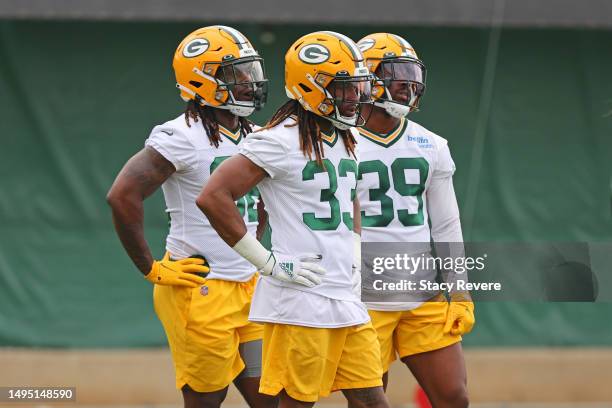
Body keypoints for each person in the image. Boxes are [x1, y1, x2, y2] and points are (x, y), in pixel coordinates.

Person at [196, 31, 390, 408]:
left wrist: (353, 245)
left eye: (358, 87)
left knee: (373, 402)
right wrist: (265, 262)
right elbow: (213, 196)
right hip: (302, 300)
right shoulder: (278, 140)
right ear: (311, 86)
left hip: (345, 294)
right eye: (344, 88)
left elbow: (346, 196)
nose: (355, 97)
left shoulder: (343, 135)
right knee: (297, 404)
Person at [106, 25, 274, 408]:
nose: (249, 83)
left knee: (271, 398)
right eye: (236, 74)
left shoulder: (258, 134)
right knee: (206, 400)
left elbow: (261, 205)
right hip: (201, 288)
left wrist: (252, 247)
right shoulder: (180, 135)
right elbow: (122, 196)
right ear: (203, 81)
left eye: (251, 72)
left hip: (249, 287)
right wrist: (149, 267)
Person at [355, 32, 474, 408]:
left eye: (413, 74)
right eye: (396, 74)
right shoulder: (338, 143)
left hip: (422, 294)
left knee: (454, 397)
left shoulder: (431, 144)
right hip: (363, 295)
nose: (408, 85)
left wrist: (460, 289)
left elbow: (446, 224)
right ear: (367, 80)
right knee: (370, 400)